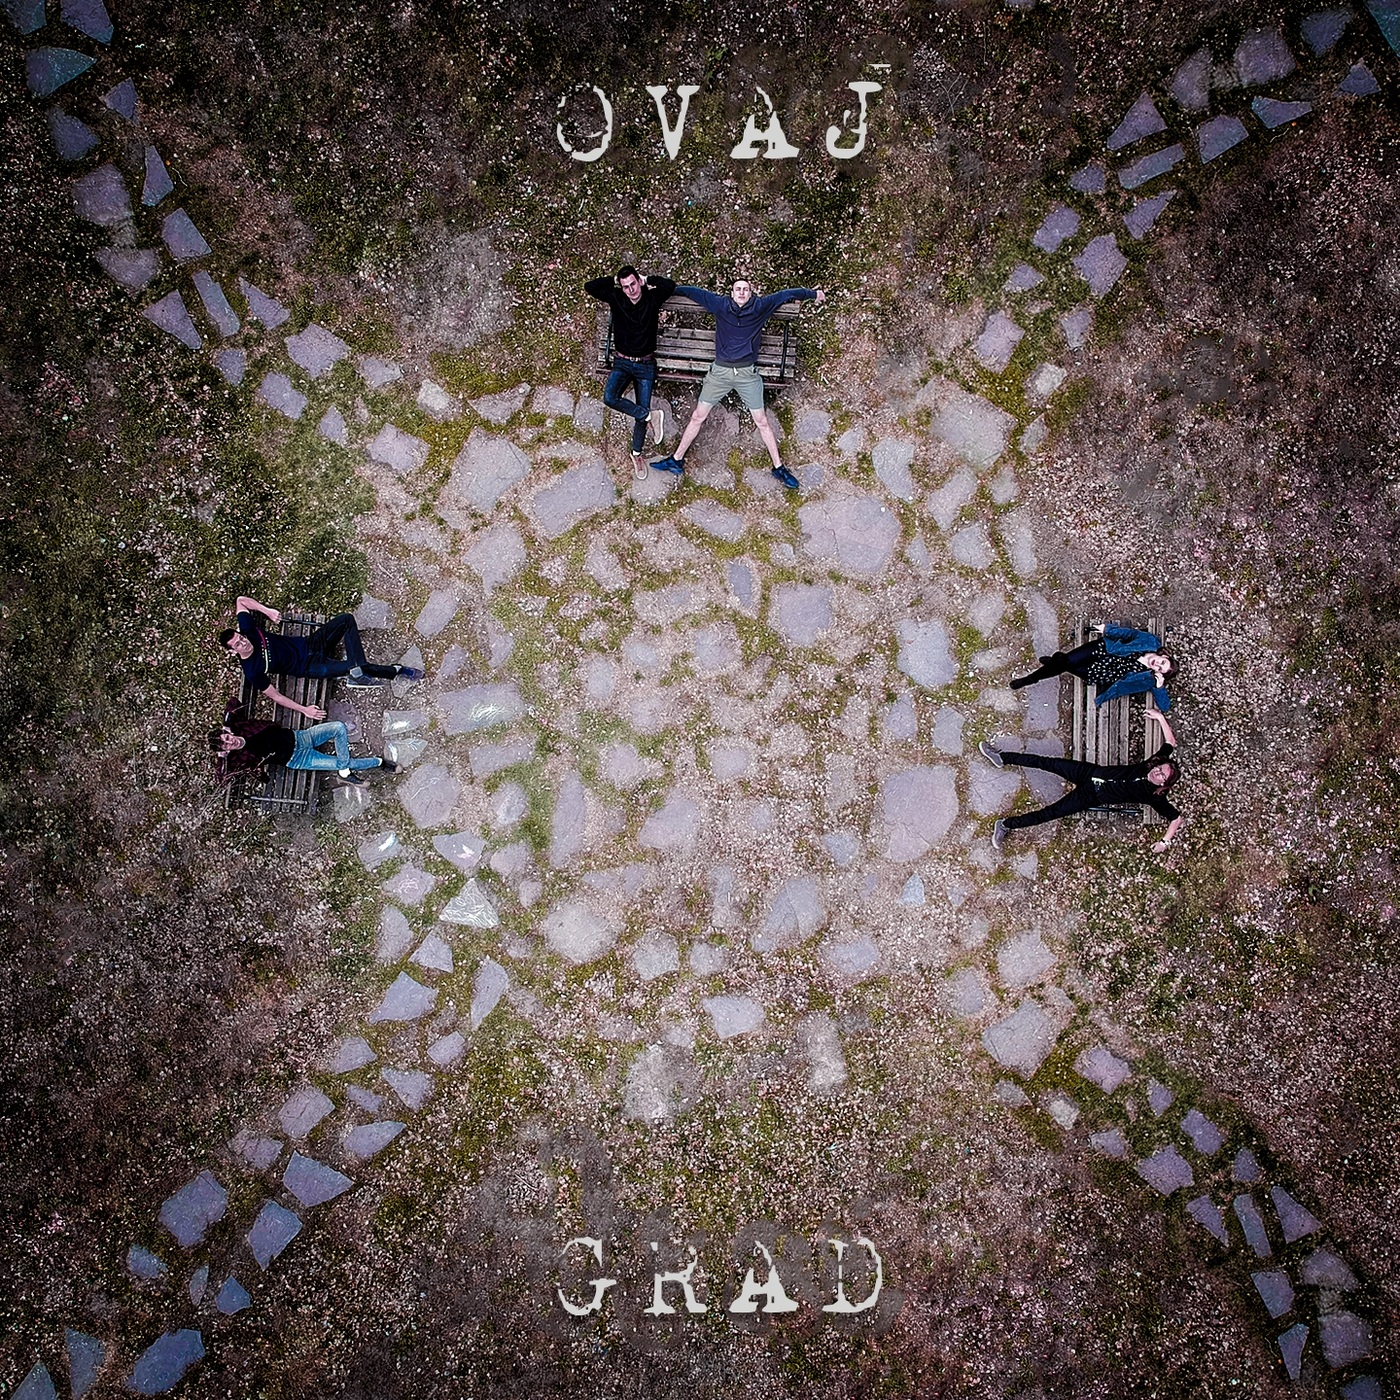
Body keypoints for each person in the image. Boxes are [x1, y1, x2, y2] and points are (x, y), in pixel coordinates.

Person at [650, 277, 826, 491]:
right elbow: (692, 292)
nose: (741, 292)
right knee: (698, 416)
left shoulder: (760, 307)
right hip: (720, 373)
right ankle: (676, 460)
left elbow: (786, 294)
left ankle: (778, 467)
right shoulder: (721, 305)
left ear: (750, 293)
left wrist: (813, 294)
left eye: (745, 289)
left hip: (747, 375)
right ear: (732, 293)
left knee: (762, 421)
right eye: (738, 289)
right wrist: (663, 289)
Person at [980, 704, 1183, 853]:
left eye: (1162, 775)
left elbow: (1176, 819)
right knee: (1046, 762)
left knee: (1050, 813)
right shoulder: (1153, 763)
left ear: (1164, 783)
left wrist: (1164, 842)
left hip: (1091, 796)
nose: (1157, 772)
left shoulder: (1155, 797)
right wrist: (1159, 717)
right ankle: (1002, 758)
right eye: (1159, 768)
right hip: (1089, 772)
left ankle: (1005, 824)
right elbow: (1171, 742)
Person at [218, 596, 422, 720]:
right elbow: (276, 696)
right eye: (238, 644)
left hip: (310, 643)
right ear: (233, 651)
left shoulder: (248, 631)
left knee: (346, 619)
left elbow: (240, 601)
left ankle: (359, 671)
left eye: (241, 638)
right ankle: (397, 670)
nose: (244, 642)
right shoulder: (252, 670)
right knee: (356, 666)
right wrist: (304, 710)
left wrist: (267, 611)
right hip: (310, 666)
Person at [584, 264, 675, 478]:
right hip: (622, 362)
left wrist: (647, 279)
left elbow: (669, 285)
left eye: (633, 284)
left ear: (638, 282)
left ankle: (636, 454)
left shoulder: (652, 298)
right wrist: (614, 281)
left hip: (645, 365)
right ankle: (650, 416)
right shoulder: (616, 297)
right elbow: (590, 287)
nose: (631, 290)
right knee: (610, 397)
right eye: (626, 286)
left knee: (640, 412)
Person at [1011, 624, 1175, 711]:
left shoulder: (1149, 679)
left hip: (1101, 673)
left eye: (1160, 669)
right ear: (1165, 656)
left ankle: (1045, 669)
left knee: (1063, 660)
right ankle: (1033, 677)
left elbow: (1165, 707)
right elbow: (1130, 634)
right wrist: (1108, 629)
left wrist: (1159, 687)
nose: (1157, 665)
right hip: (1104, 649)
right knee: (1065, 661)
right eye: (1162, 662)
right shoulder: (1151, 642)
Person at [211, 709, 395, 785]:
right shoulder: (239, 757)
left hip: (302, 737)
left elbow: (232, 704)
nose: (231, 742)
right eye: (226, 745)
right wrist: (221, 757)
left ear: (228, 733)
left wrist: (227, 725)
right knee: (342, 763)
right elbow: (221, 778)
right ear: (226, 750)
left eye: (227, 738)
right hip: (298, 759)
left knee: (338, 727)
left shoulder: (241, 727)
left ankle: (344, 771)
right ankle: (379, 762)